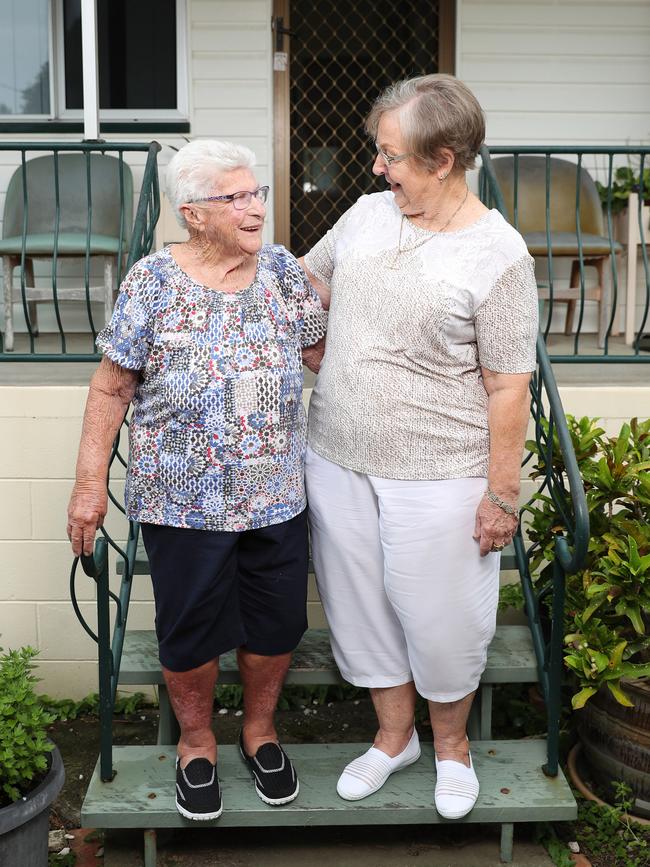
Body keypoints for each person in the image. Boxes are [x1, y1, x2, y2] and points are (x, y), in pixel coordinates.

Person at [67, 139, 327, 821]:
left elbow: (326, 355)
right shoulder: (151, 280)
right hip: (181, 500)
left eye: (256, 194)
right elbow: (111, 386)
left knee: (276, 625)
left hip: (275, 492)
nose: (255, 208)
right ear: (194, 214)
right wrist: (89, 483)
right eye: (235, 197)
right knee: (190, 631)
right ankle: (197, 741)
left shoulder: (281, 272)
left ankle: (260, 732)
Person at [300, 74, 538, 819]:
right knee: (361, 607)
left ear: (443, 158)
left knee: (440, 616)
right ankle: (394, 735)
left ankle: (452, 748)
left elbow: (508, 388)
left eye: (391, 155)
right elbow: (308, 280)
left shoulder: (499, 256)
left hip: (439, 471)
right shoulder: (368, 215)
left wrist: (503, 494)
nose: (377, 168)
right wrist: (318, 343)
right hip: (337, 452)